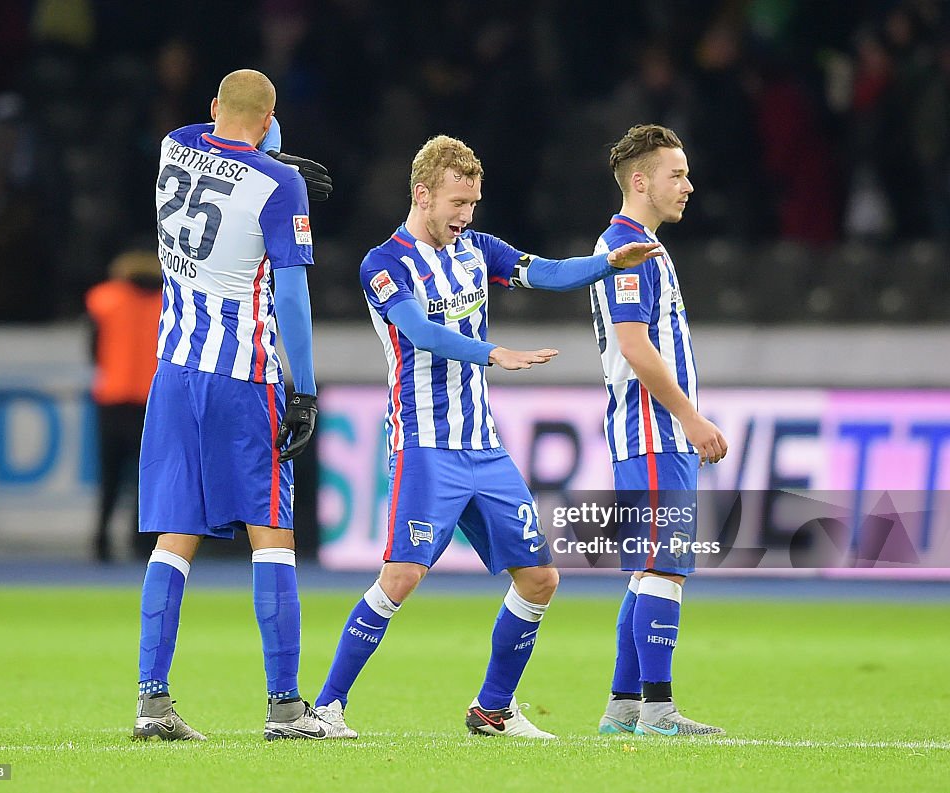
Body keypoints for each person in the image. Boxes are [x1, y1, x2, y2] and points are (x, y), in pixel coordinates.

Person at [312, 135, 661, 739]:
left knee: (540, 579)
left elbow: (546, 273)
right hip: (427, 446)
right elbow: (420, 332)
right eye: (457, 203)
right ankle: (326, 709)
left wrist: (606, 264)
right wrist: (493, 352)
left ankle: (493, 709)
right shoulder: (384, 265)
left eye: (472, 203)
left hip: (486, 449)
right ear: (422, 195)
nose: (466, 216)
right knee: (401, 578)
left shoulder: (478, 249)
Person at [131, 68, 344, 743]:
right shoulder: (279, 186)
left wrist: (260, 145)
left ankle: (152, 702)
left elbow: (214, 136)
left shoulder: (172, 148)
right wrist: (302, 388)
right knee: (271, 531)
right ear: (272, 116)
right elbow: (292, 299)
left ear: (216, 106)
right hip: (242, 374)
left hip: (173, 371)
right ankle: (285, 706)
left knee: (174, 536)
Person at [590, 124, 728, 737]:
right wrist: (691, 418)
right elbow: (635, 347)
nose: (689, 186)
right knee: (664, 567)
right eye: (677, 175)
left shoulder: (641, 245)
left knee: (649, 569)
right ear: (640, 182)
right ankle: (659, 711)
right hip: (654, 432)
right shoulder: (628, 247)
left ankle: (625, 708)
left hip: (652, 434)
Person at [85, 249, 162, 563]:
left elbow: (92, 349)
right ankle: (142, 542)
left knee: (111, 476)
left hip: (113, 397)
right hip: (152, 399)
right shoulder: (168, 300)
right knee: (148, 477)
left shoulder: (105, 299)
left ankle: (101, 540)